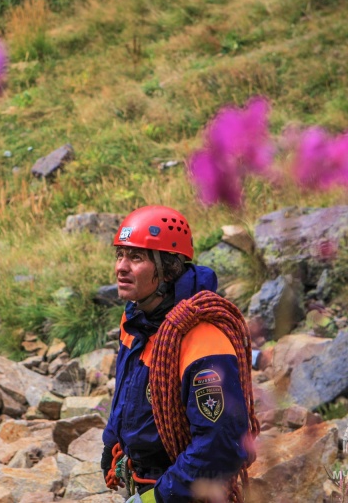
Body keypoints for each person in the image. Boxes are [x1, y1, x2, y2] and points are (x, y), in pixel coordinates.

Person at [101, 206, 259, 503]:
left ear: (167, 269)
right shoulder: (134, 321)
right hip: (145, 480)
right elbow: (123, 394)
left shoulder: (202, 339)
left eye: (136, 257)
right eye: (120, 255)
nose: (121, 267)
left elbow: (220, 446)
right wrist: (111, 445)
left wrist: (157, 497)